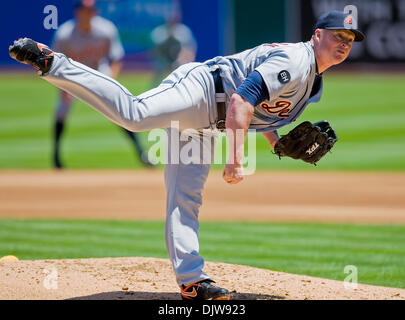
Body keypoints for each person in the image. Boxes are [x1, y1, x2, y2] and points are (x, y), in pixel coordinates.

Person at [9, 10, 364, 300]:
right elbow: (242, 98)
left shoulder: (312, 83)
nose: (343, 44)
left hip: (207, 122)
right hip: (201, 90)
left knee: (187, 196)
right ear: (317, 34)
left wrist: (277, 145)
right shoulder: (296, 59)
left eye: (348, 40)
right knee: (134, 115)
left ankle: (192, 281)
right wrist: (235, 160)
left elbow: (257, 109)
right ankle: (54, 63)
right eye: (338, 36)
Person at [51, 0, 154, 168]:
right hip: (73, 75)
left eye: (91, 9)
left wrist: (111, 83)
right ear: (77, 12)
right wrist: (63, 88)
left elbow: (116, 59)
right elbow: (55, 63)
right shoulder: (64, 34)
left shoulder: (106, 30)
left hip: (99, 71)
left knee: (120, 110)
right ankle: (56, 158)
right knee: (61, 110)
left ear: (95, 12)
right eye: (84, 9)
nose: (88, 12)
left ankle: (141, 153)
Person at [150, 12, 197, 86]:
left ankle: (184, 85)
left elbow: (189, 47)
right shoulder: (159, 31)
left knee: (182, 71)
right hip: (163, 58)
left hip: (178, 58)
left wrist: (185, 58)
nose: (172, 22)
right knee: (159, 70)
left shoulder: (183, 31)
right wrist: (160, 59)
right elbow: (156, 49)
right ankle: (154, 88)